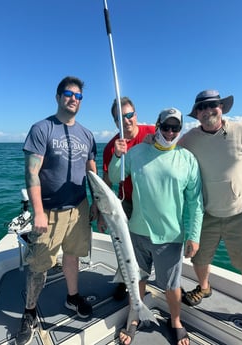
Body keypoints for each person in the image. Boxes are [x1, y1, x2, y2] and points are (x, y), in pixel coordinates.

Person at [108, 108, 204, 345]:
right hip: (137, 231)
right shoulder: (137, 152)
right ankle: (134, 317)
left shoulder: (187, 158)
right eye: (166, 127)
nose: (170, 132)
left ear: (180, 130)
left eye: (175, 128)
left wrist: (193, 236)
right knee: (136, 279)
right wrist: (117, 157)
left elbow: (195, 202)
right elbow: (113, 177)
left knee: (172, 286)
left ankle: (176, 321)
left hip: (171, 236)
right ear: (157, 125)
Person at [15, 76, 98, 345]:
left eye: (78, 96)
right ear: (58, 97)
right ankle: (29, 312)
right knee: (39, 265)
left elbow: (91, 171)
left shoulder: (87, 134)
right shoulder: (42, 129)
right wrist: (38, 211)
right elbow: (31, 173)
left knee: (73, 256)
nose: (74, 99)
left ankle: (72, 297)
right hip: (49, 210)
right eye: (68, 94)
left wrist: (96, 202)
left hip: (79, 208)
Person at [179, 90, 242, 318]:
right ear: (196, 114)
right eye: (201, 107)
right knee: (198, 258)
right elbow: (169, 153)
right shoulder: (190, 138)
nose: (207, 110)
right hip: (207, 212)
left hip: (241, 214)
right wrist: (151, 140)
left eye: (212, 105)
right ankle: (204, 287)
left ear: (222, 107)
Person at [97, 96, 155, 300]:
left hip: (153, 200)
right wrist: (102, 213)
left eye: (130, 115)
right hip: (127, 203)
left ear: (136, 115)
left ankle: (160, 280)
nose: (127, 120)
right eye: (121, 118)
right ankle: (126, 281)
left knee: (154, 243)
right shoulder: (112, 147)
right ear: (115, 122)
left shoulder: (153, 132)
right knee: (125, 244)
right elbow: (106, 183)